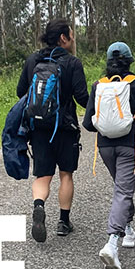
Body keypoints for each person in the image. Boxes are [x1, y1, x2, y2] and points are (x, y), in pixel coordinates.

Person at [83, 41, 135, 269]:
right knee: (123, 191)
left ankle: (128, 230)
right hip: (131, 146)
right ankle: (112, 243)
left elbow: (88, 123)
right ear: (129, 62)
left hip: (105, 148)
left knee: (122, 189)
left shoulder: (98, 85)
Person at [16, 18, 89, 242]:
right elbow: (82, 98)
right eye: (71, 35)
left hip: (39, 129)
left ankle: (39, 206)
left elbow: (20, 92)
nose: (73, 39)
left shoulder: (33, 60)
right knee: (66, 174)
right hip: (65, 128)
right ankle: (63, 222)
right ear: (63, 38)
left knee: (43, 175)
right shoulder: (72, 63)